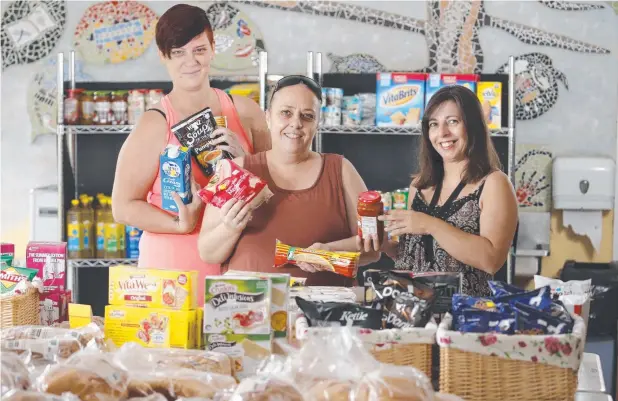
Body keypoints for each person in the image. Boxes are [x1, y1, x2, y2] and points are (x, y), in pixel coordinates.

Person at [111, 4, 270, 302]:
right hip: (174, 271)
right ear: (163, 57)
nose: (190, 61)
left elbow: (277, 183)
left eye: (198, 49)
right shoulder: (154, 124)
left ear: (212, 50)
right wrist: (179, 224)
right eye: (178, 52)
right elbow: (122, 206)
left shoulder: (245, 112)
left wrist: (244, 161)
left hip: (240, 264)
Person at [198, 75, 380, 286]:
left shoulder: (341, 170)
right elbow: (207, 253)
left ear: (317, 123)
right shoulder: (234, 170)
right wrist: (230, 227)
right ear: (268, 117)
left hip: (324, 312)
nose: (296, 123)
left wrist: (330, 251)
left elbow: (373, 248)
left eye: (307, 116)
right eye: (286, 113)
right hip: (249, 309)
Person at [362, 85, 518, 296]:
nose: (442, 133)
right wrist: (384, 246)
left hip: (465, 316)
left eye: (453, 122)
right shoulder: (419, 185)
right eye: (434, 124)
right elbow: (413, 258)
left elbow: (491, 260)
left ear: (472, 126)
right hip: (414, 313)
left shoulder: (493, 183)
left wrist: (429, 224)